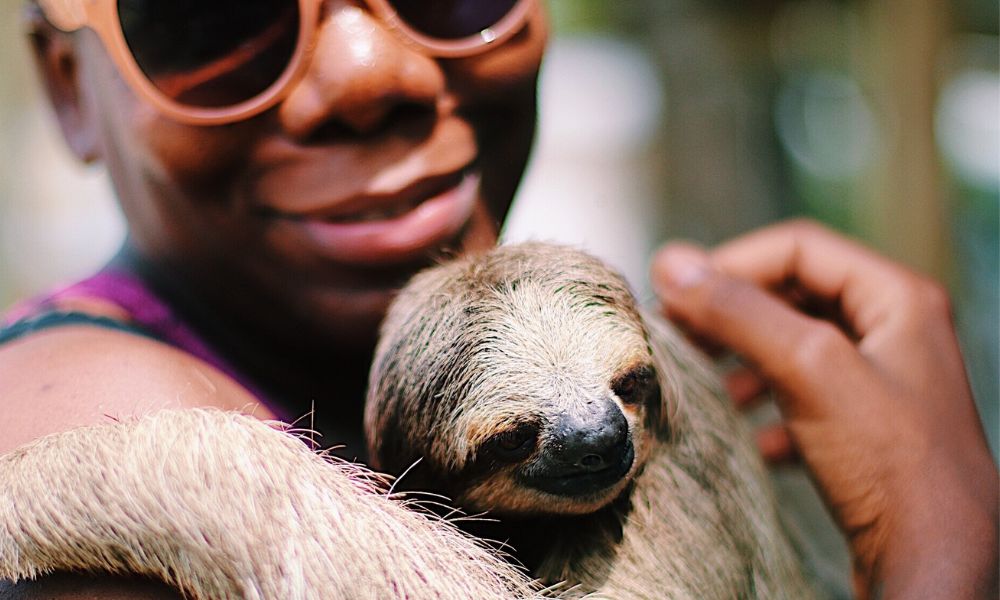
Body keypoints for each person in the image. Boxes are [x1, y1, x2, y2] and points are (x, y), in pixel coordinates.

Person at [0, 1, 995, 598]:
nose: (370, 75)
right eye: (213, 17)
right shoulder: (79, 403)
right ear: (69, 87)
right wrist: (938, 563)